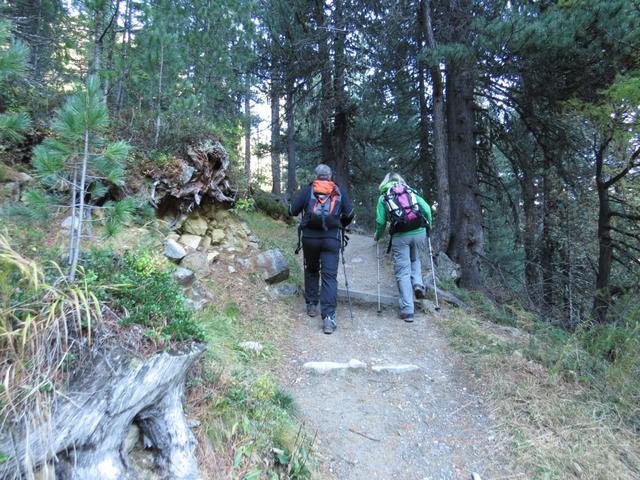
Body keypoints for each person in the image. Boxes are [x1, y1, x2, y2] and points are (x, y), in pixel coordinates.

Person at [289, 164, 354, 334]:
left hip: (310, 238)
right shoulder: (337, 191)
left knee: (311, 269)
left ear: (316, 176)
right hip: (331, 239)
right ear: (330, 176)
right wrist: (340, 224)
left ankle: (311, 304)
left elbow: (292, 211)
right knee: (329, 277)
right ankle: (328, 319)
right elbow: (350, 213)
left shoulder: (307, 190)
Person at [373, 172, 432, 322]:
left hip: (401, 236)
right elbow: (426, 208)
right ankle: (418, 283)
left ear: (385, 182)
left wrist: (377, 236)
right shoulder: (410, 191)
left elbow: (381, 222)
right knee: (416, 259)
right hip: (419, 231)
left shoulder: (383, 197)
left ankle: (407, 309)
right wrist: (429, 226)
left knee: (403, 272)